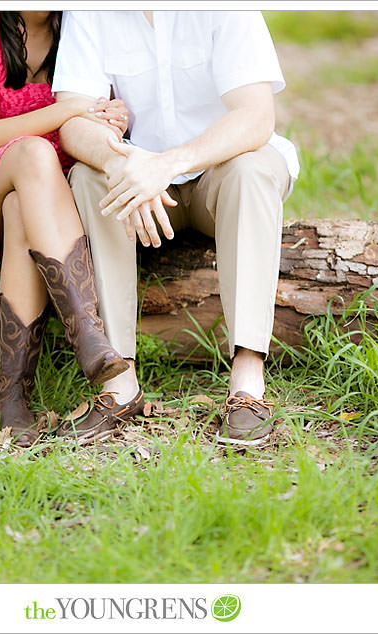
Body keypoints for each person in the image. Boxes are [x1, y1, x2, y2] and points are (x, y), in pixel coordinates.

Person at [52, 10, 301, 445]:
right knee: (91, 176)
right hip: (141, 193)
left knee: (254, 167)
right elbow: (73, 121)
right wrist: (123, 164)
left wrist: (165, 164)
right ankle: (119, 380)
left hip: (217, 173)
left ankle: (247, 379)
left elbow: (257, 115)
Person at [0, 11, 133, 446]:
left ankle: (12, 399)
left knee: (20, 209)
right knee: (32, 157)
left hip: (56, 195)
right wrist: (65, 110)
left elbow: (102, 111)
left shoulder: (84, 22)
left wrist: (113, 118)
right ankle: (85, 330)